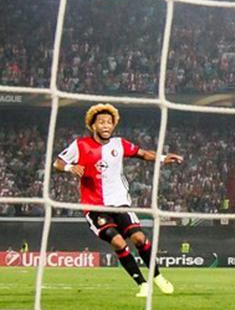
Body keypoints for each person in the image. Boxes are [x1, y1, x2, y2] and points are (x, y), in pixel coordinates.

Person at [54, 103, 182, 297]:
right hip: (94, 207)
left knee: (139, 238)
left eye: (109, 122)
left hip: (121, 203)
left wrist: (163, 158)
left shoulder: (119, 144)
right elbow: (58, 162)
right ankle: (142, 284)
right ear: (93, 126)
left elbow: (143, 154)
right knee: (118, 242)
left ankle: (157, 276)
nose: (106, 125)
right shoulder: (80, 145)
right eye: (101, 122)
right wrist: (69, 168)